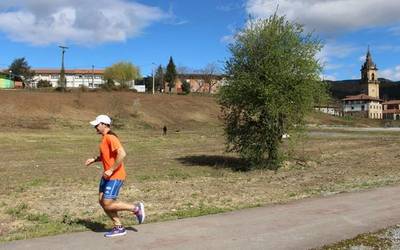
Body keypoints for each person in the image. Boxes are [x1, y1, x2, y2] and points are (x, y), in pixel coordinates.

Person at [85, 114, 145, 237]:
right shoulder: (105, 138)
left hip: (115, 175)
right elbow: (107, 156)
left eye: (97, 124)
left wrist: (111, 170)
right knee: (102, 201)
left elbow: (122, 154)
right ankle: (118, 227)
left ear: (104, 124)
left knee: (107, 203)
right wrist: (94, 159)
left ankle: (136, 208)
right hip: (107, 175)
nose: (95, 127)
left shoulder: (110, 137)